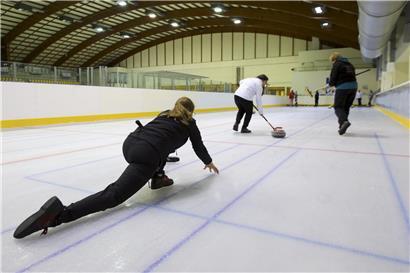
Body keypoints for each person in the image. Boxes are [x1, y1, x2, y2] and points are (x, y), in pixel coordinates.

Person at [13, 97, 219, 239]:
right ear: (191, 111)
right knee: (113, 195)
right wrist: (208, 161)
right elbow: (198, 145)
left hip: (130, 143)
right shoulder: (190, 123)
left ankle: (158, 177)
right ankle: (59, 215)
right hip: (146, 154)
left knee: (160, 152)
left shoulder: (164, 114)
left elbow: (160, 136)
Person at [328, 52, 358, 135]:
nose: (332, 63)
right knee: (345, 108)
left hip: (343, 88)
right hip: (354, 87)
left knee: (338, 107)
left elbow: (333, 78)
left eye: (332, 61)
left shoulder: (337, 64)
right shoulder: (350, 65)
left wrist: (331, 84)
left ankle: (344, 122)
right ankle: (342, 126)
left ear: (334, 59)